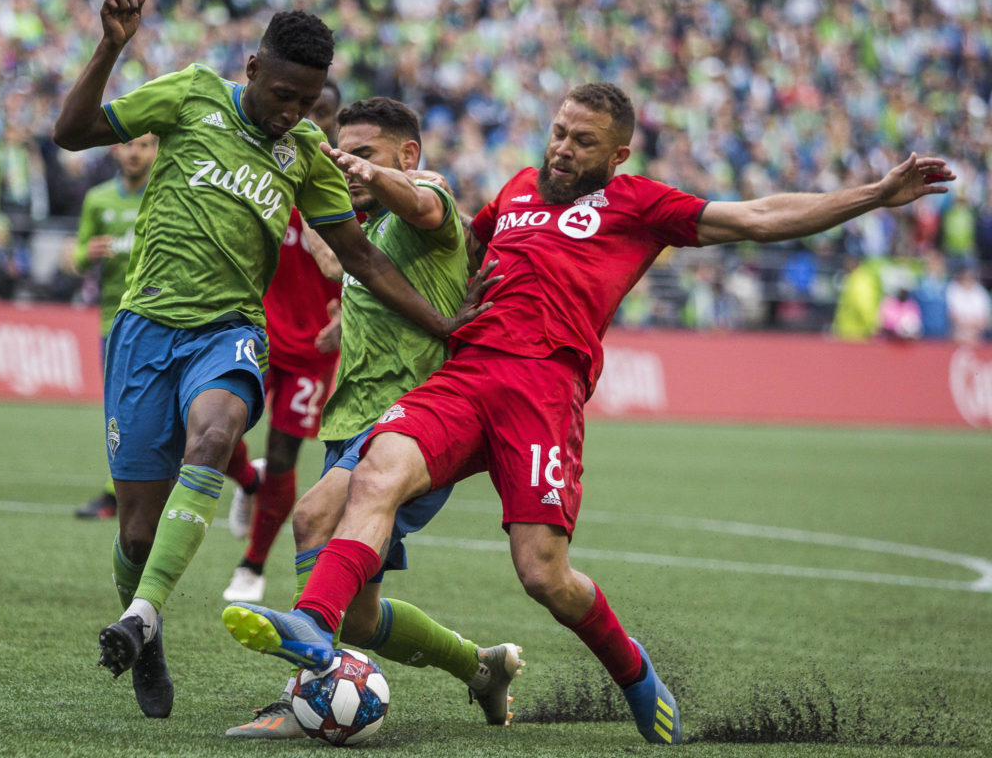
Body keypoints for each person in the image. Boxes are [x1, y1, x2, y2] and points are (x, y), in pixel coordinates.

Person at [220, 82, 955, 746]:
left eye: (582, 142)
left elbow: (759, 216)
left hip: (544, 392)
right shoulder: (513, 191)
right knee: (377, 472)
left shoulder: (640, 205)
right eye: (559, 133)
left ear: (618, 153)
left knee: (543, 575)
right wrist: (357, 318)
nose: (562, 150)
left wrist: (875, 194)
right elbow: (447, 257)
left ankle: (633, 671)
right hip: (467, 375)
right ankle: (314, 631)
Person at [52, 0, 492, 720]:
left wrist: (445, 326)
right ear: (253, 69)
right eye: (283, 94)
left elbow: (364, 257)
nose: (291, 112)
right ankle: (147, 629)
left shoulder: (306, 152)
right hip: (144, 329)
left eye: (306, 100)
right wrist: (110, 47)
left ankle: (144, 614)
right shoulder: (191, 95)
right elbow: (72, 131)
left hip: (229, 331)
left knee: (218, 436)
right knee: (134, 525)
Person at [224, 97, 521, 739]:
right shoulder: (369, 233)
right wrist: (343, 324)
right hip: (354, 422)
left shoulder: (428, 203)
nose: (351, 166)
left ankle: (300, 697)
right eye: (345, 153)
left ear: (406, 156)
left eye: (364, 154)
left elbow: (424, 201)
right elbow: (357, 271)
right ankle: (480, 668)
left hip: (416, 426)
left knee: (311, 516)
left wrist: (375, 178)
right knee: (359, 619)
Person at [222, 80, 346, 601]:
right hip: (255, 325)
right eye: (304, 108)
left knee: (283, 454)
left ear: (335, 122)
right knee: (213, 429)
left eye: (322, 112)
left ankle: (251, 566)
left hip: (313, 346)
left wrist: (348, 306)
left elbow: (365, 265)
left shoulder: (343, 186)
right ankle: (248, 483)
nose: (310, 120)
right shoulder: (266, 168)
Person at [74, 132, 158, 520]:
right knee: (120, 411)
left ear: (157, 150)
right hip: (115, 322)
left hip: (161, 316)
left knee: (158, 411)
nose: (136, 153)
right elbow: (76, 257)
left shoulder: (165, 193)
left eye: (145, 145)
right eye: (129, 145)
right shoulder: (98, 199)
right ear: (116, 149)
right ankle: (118, 493)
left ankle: (139, 489)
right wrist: (85, 254)